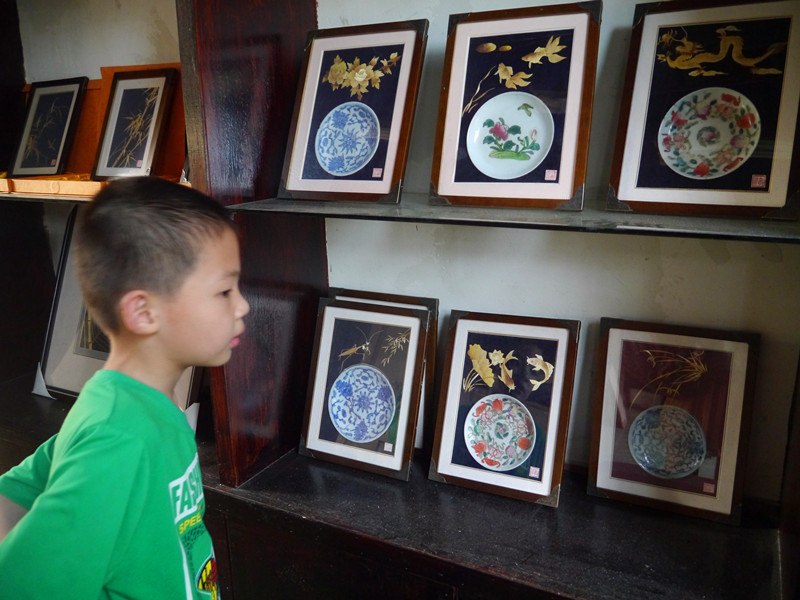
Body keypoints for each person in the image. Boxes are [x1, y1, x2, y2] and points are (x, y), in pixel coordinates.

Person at [0, 177, 249, 598]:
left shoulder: (124, 407)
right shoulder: (120, 438)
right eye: (224, 290)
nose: (242, 305)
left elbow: (16, 491)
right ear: (143, 312)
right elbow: (25, 586)